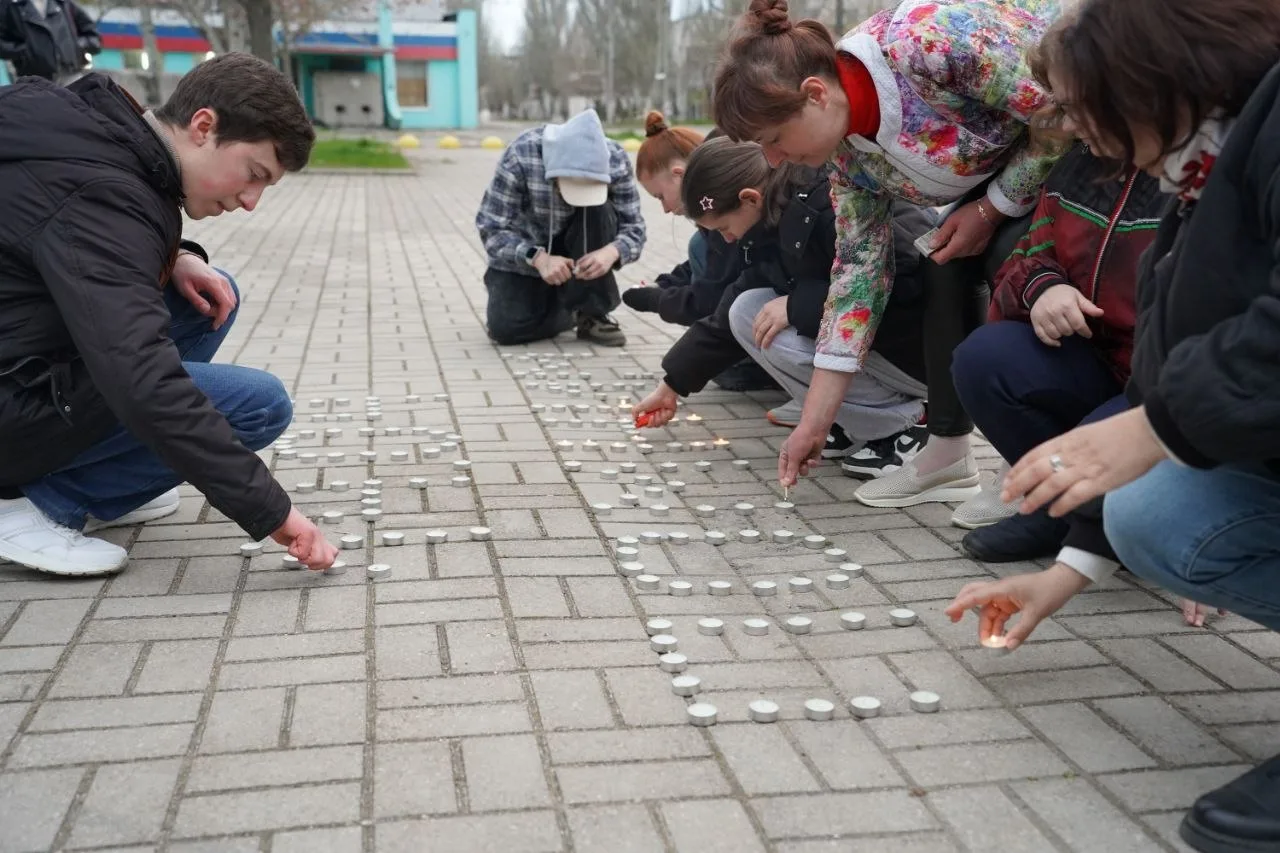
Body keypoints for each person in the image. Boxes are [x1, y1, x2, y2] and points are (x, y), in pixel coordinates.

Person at [942, 2, 1280, 850]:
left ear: (1152, 75)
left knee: (1159, 490)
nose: (1082, 132)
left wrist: (1152, 430)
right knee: (1153, 512)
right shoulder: (1201, 167)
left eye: (1086, 104)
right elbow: (1175, 353)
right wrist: (1067, 572)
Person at [0, 53, 339, 576]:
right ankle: (32, 507)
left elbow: (66, 234)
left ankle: (114, 479)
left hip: (18, 360)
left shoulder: (99, 136)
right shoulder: (104, 195)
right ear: (204, 126)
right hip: (11, 399)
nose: (251, 201)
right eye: (254, 174)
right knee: (259, 404)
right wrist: (274, 513)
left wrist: (176, 257)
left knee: (209, 301)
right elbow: (144, 380)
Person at [710, 0, 1065, 497]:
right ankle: (947, 451)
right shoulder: (845, 157)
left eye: (773, 139)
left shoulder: (927, 42)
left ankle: (1042, 462)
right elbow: (858, 276)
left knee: (1015, 260)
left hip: (1096, 140)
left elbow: (1058, 110)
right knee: (943, 261)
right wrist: (814, 423)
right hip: (1005, 177)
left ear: (814, 95)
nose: (772, 161)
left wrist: (992, 210)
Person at [632, 137, 930, 452]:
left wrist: (796, 305)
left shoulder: (833, 200)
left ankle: (905, 428)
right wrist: (672, 385)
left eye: (723, 228)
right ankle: (855, 421)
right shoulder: (772, 222)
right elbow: (726, 316)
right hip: (886, 349)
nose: (729, 240)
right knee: (746, 310)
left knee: (767, 321)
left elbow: (903, 283)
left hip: (926, 355)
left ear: (749, 199)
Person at [949, 142, 1164, 549]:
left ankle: (1103, 519)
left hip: (1165, 384)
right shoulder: (1078, 160)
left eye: (1078, 103)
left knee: (1093, 441)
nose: (1067, 121)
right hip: (1094, 365)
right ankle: (1059, 510)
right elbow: (1026, 253)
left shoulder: (1204, 178)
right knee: (984, 359)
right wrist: (1044, 288)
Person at [625, 113, 783, 399]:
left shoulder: (759, 215)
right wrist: (667, 284)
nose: (663, 210)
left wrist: (657, 300)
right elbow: (718, 276)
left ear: (678, 174)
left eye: (660, 196)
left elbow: (709, 298)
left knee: (730, 366)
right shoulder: (734, 214)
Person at [475, 108, 646, 347]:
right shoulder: (521, 155)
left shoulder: (615, 160)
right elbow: (490, 227)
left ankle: (590, 311)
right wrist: (538, 258)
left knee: (600, 209)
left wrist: (612, 252)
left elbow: (634, 227)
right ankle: (564, 305)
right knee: (506, 329)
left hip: (582, 244)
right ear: (554, 176)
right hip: (528, 252)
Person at [0, 0, 100, 84]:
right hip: (32, 81)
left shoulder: (63, 3)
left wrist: (76, 46)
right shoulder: (9, 5)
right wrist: (25, 52)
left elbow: (93, 36)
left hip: (71, 76)